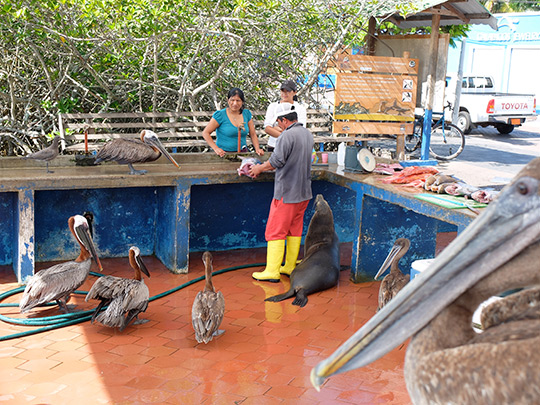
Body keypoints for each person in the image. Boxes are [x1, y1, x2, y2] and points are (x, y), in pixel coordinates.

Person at [249, 102, 313, 282]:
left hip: (287, 192)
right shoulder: (307, 134)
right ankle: (290, 266)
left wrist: (259, 168)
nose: (278, 125)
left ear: (284, 120)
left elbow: (276, 161)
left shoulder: (286, 136)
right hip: (304, 192)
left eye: (278, 122)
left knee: (275, 230)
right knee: (294, 229)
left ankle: (272, 271)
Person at [202, 88, 264, 157]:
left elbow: (252, 134)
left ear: (242, 102)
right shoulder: (220, 115)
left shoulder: (246, 114)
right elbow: (205, 133)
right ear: (228, 100)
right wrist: (216, 149)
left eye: (238, 100)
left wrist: (257, 149)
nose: (235, 103)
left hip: (242, 153)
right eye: (232, 100)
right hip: (223, 154)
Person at [264, 80, 307, 150]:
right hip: (274, 145)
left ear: (295, 92)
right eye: (283, 91)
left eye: (288, 91)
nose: (285, 93)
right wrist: (286, 136)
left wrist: (276, 129)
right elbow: (267, 128)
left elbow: (300, 130)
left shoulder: (300, 108)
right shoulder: (273, 106)